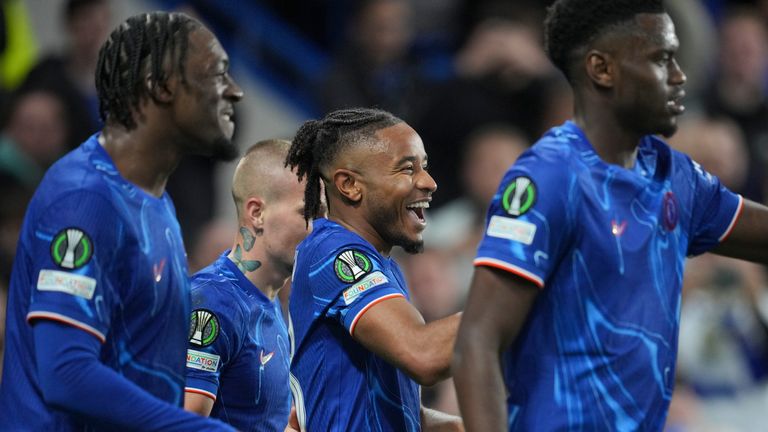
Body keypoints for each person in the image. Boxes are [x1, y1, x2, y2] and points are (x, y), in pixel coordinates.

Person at [452, 0, 768, 430]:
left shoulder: (677, 177)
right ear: (603, 69)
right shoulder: (548, 176)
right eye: (662, 59)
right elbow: (477, 342)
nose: (680, 77)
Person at [0, 11, 243, 431]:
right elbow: (66, 374)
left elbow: (145, 375)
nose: (234, 92)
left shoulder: (156, 204)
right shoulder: (85, 198)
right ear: (162, 86)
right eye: (217, 74)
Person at [285, 107, 463, 431]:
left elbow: (402, 412)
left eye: (425, 166)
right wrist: (518, 294)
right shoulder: (335, 252)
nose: (429, 182)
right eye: (407, 169)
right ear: (350, 185)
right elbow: (422, 353)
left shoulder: (387, 268)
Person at [183, 139, 311, 430]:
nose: (318, 229)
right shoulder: (212, 302)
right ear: (257, 213)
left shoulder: (270, 305)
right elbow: (181, 424)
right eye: (306, 213)